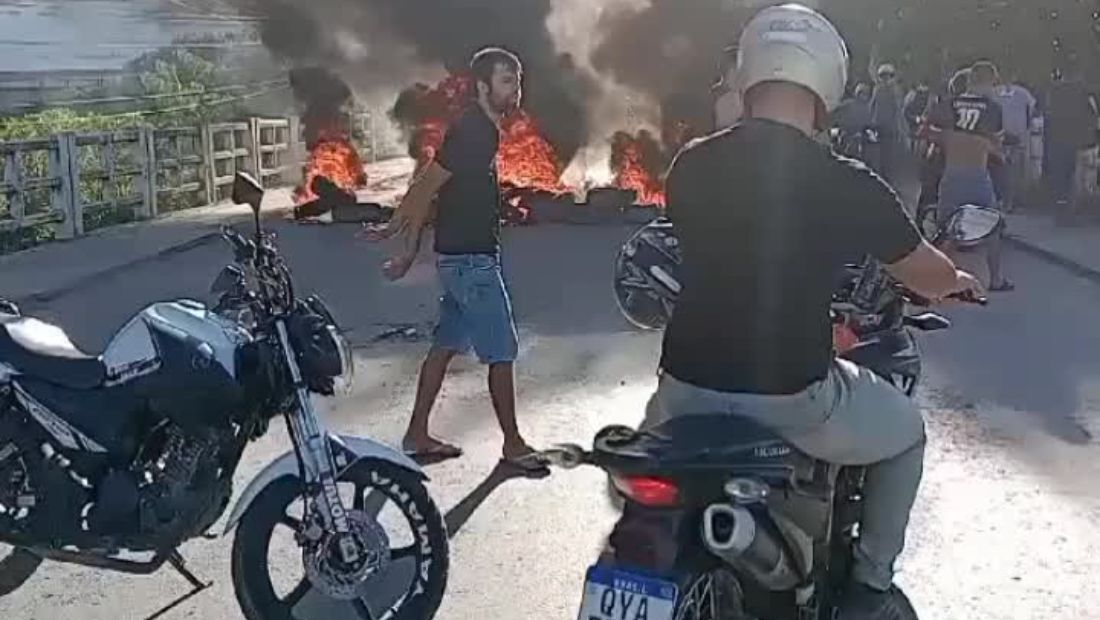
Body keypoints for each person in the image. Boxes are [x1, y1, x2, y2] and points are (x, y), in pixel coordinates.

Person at [643, 5, 985, 618]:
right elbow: (923, 272)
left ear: (748, 74)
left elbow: (729, 256)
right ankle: (870, 585)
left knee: (645, 495)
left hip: (682, 389)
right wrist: (956, 277)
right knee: (906, 432)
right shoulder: (843, 180)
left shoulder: (690, 164)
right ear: (828, 84)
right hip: (789, 394)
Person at [369, 47, 543, 470]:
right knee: (501, 351)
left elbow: (438, 193)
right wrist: (398, 227)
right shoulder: (475, 130)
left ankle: (416, 434)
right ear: (482, 86)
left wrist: (410, 251)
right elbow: (429, 183)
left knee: (445, 345)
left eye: (516, 80)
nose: (514, 89)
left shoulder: (478, 128)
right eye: (505, 81)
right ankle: (514, 445)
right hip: (470, 262)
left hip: (460, 257)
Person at [928, 61, 1013, 291]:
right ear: (988, 82)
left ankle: (938, 281)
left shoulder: (949, 104)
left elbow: (928, 132)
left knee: (945, 229)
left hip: (952, 173)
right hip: (978, 174)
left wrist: (951, 139)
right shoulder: (992, 108)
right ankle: (995, 279)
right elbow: (996, 143)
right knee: (993, 224)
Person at [1046, 66, 1099, 223]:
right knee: (1075, 176)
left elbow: (1048, 112)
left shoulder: (1055, 91)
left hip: (1057, 138)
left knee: (1061, 176)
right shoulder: (1084, 91)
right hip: (1078, 139)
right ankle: (1070, 212)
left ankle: (1060, 211)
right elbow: (1093, 113)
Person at [994, 76, 1037, 211]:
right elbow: (1032, 111)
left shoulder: (993, 93)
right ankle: (1012, 202)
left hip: (999, 137)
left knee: (1001, 170)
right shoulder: (1023, 93)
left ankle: (1003, 201)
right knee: (1014, 171)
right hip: (1017, 136)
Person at [870, 63, 904, 181]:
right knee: (887, 153)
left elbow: (871, 107)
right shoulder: (893, 90)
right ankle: (886, 176)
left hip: (882, 126)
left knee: (882, 153)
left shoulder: (877, 90)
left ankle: (883, 176)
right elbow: (898, 110)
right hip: (887, 126)